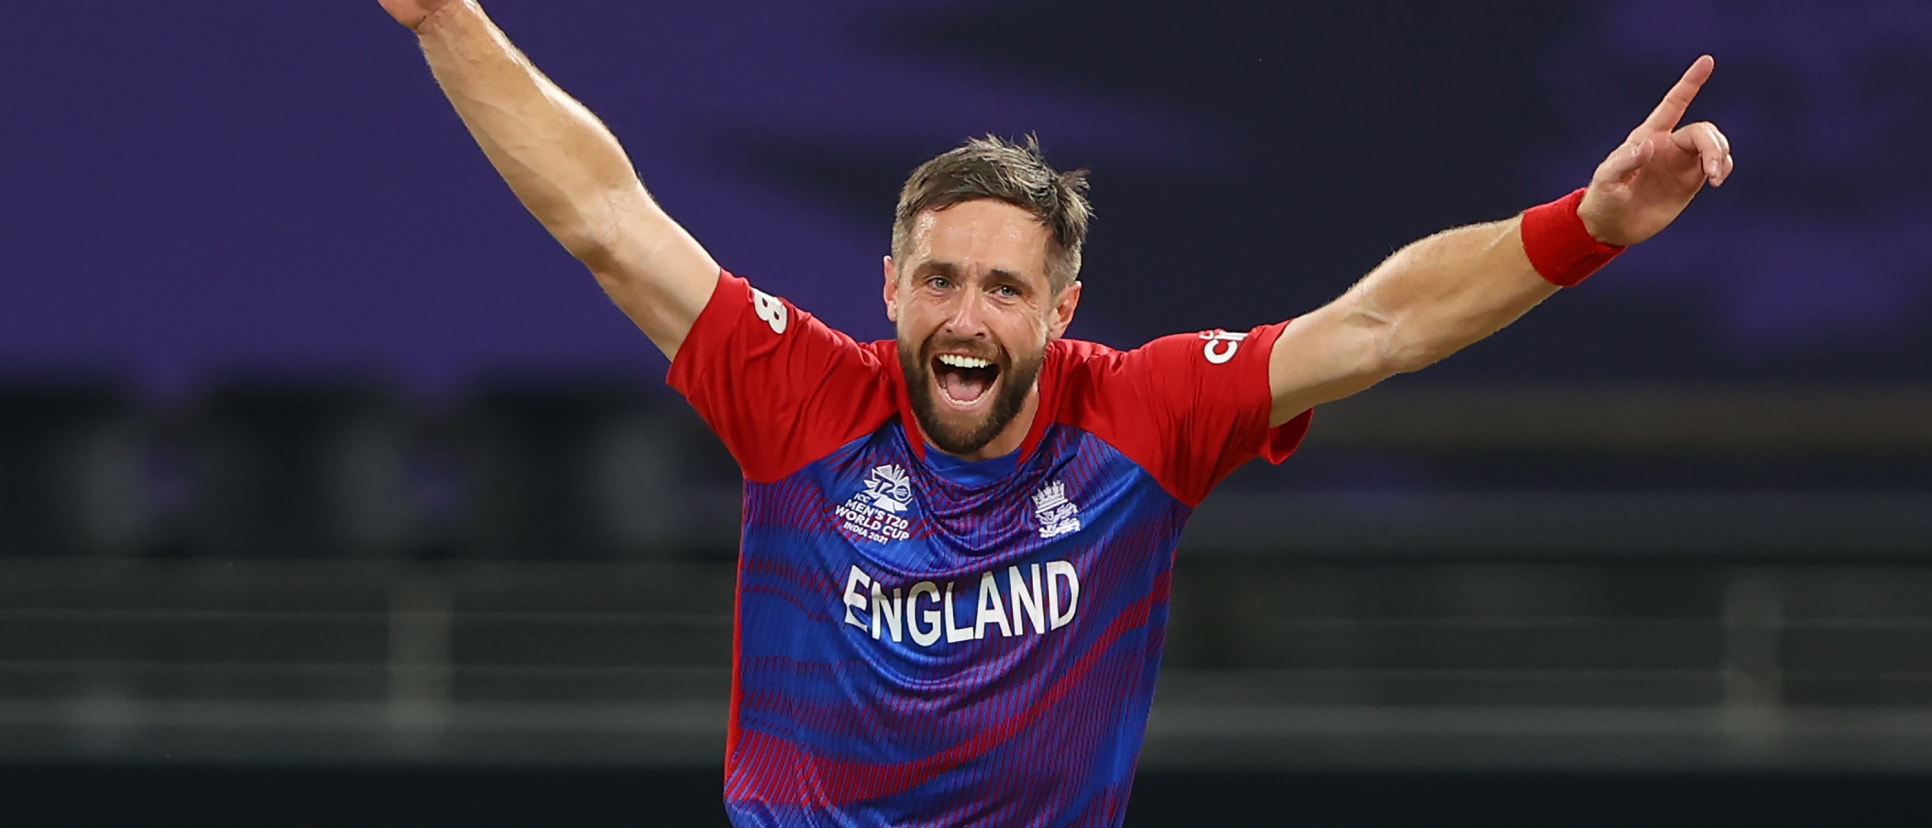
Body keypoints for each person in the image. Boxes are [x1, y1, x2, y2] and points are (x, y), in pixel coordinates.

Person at [376, 1, 1734, 824]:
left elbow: (1381, 326)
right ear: (892, 287)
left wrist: (1591, 224)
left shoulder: (1144, 414)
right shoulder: (801, 397)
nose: (969, 317)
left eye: (1006, 289)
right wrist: (446, 21)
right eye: (942, 280)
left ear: (1062, 308)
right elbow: (609, 220)